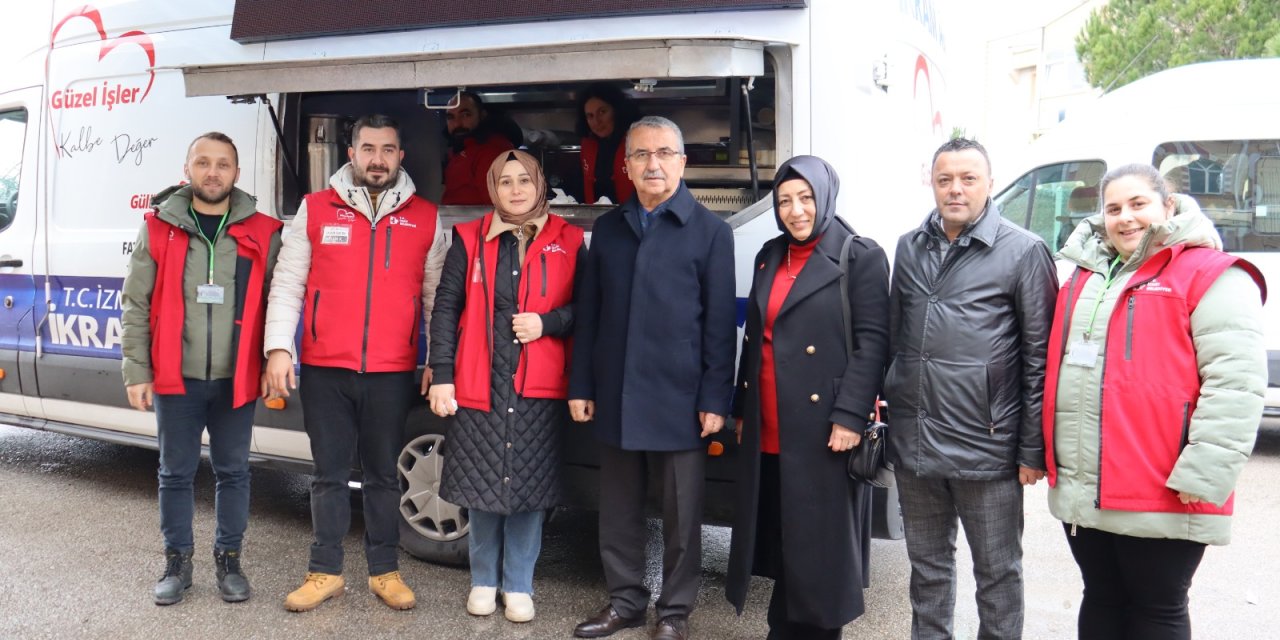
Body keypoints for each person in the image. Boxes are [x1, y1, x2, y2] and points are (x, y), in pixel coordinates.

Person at [1043, 163, 1267, 640]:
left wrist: (1205, 470)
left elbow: (1236, 383)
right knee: (1101, 597)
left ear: (1168, 206)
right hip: (1091, 484)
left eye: (1138, 204)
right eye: (1113, 208)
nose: (1126, 218)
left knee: (1158, 607)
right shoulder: (1085, 277)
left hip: (1166, 484)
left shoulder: (1211, 274)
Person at [263, 114, 449, 612]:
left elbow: (436, 299)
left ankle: (384, 572)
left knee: (384, 475)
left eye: (388, 149)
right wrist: (280, 346)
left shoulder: (427, 218)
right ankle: (324, 573)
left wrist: (436, 360)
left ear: (401, 156)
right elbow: (287, 283)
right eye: (368, 148)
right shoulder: (315, 209)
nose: (378, 159)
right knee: (327, 474)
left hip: (392, 370)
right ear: (351, 152)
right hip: (326, 367)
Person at [568, 116, 736, 640]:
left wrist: (715, 397)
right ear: (627, 166)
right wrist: (581, 385)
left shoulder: (710, 232)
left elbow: (718, 327)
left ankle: (674, 613)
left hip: (681, 396)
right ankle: (625, 602)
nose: (653, 163)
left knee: (682, 515)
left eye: (664, 153)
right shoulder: (611, 229)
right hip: (616, 392)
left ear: (683, 163)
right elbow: (588, 314)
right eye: (641, 154)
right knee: (617, 509)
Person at [883, 137, 1058, 639]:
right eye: (944, 179)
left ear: (989, 182)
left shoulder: (1024, 251)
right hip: (916, 447)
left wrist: (1030, 450)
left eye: (967, 179)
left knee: (998, 575)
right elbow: (897, 338)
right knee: (928, 572)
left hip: (988, 448)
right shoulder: (909, 247)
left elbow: (1038, 360)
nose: (955, 189)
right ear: (931, 183)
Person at [724, 155, 890, 639]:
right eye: (785, 200)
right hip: (769, 424)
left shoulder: (860, 254)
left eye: (806, 198)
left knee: (820, 551)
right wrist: (740, 408)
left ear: (825, 197)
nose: (796, 210)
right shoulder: (769, 254)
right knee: (784, 540)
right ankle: (782, 627)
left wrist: (849, 415)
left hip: (824, 429)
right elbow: (754, 340)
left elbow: (874, 343)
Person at [120, 132, 283, 606]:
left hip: (237, 379)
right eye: (203, 163)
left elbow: (280, 301)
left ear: (236, 172)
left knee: (234, 472)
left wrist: (276, 355)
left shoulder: (264, 231)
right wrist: (137, 369)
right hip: (176, 376)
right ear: (187, 169)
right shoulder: (157, 228)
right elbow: (135, 303)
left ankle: (229, 559)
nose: (213, 172)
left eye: (223, 164)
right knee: (175, 472)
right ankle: (177, 561)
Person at [426, 150, 585, 623]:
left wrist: (549, 322)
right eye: (506, 182)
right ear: (493, 189)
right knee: (482, 489)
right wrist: (443, 374)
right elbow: (446, 308)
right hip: (480, 382)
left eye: (524, 181)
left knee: (528, 494)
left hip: (537, 384)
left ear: (540, 185)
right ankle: (483, 580)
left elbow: (587, 309)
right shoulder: (469, 238)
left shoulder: (569, 239)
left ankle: (518, 584)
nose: (516, 190)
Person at [442, 91, 517, 205]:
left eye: (465, 115)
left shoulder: (491, 150)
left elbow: (497, 207)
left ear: (482, 116)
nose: (457, 123)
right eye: (451, 117)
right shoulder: (460, 149)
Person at [576, 83, 641, 205]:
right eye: (590, 116)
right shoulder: (588, 145)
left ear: (617, 110)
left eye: (602, 112)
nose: (596, 121)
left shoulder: (637, 140)